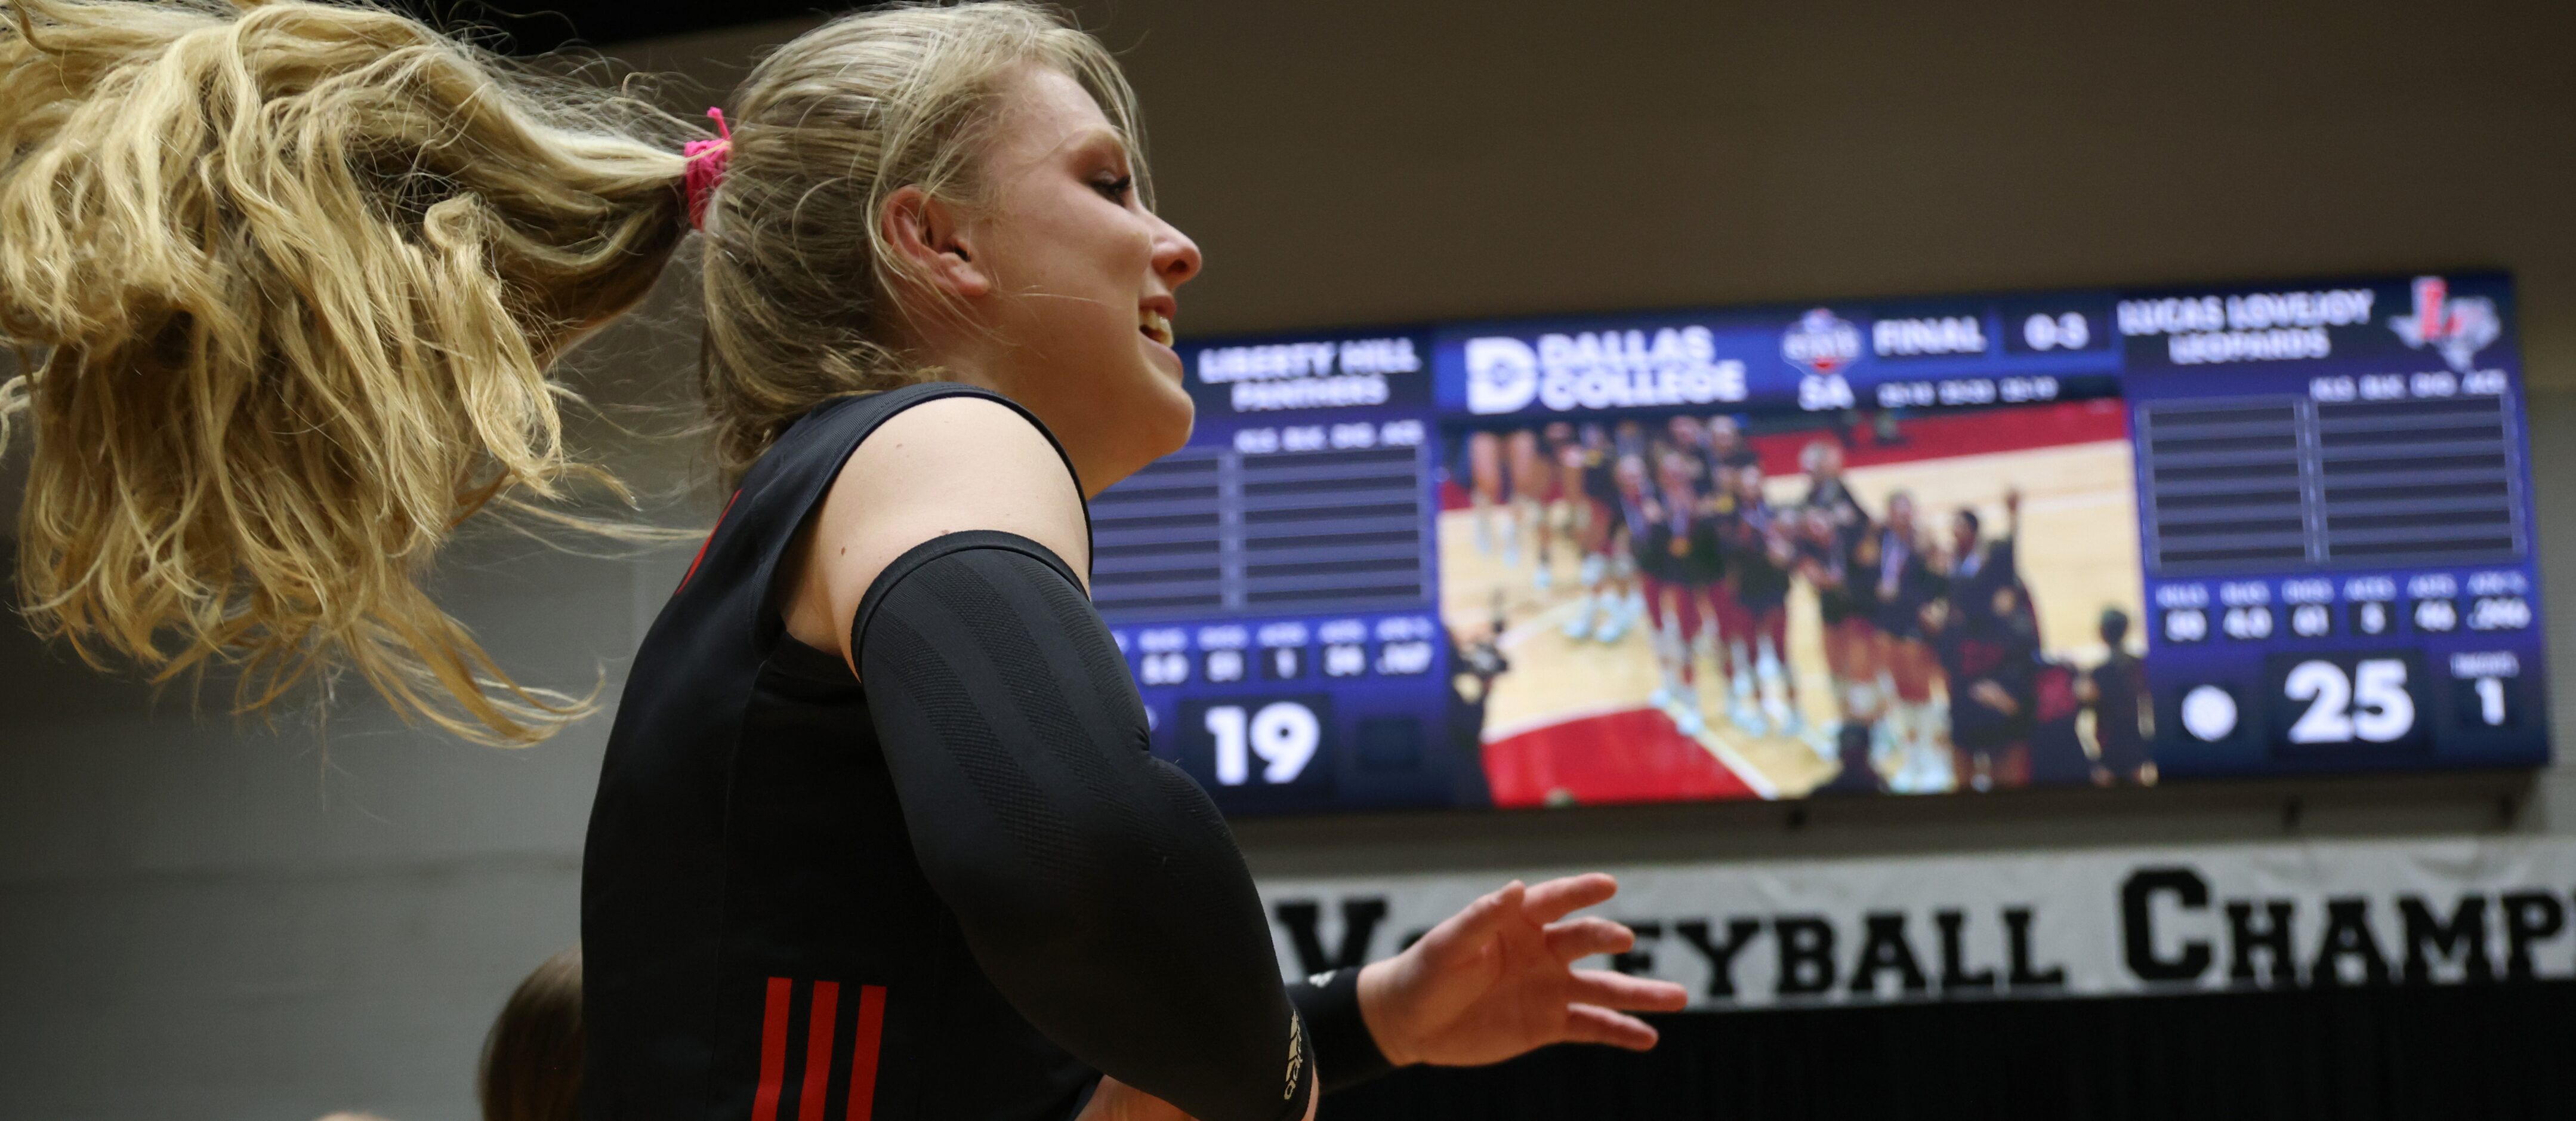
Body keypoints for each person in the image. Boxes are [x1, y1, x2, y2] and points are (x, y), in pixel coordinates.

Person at [0, 4, 1687, 1120]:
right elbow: (1084, 857)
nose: (1176, 242)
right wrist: (1297, 1071)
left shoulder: (817, 522)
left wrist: (1361, 1013)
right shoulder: (945, 443)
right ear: (933, 240)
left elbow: (1060, 1026)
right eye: (1105, 183)